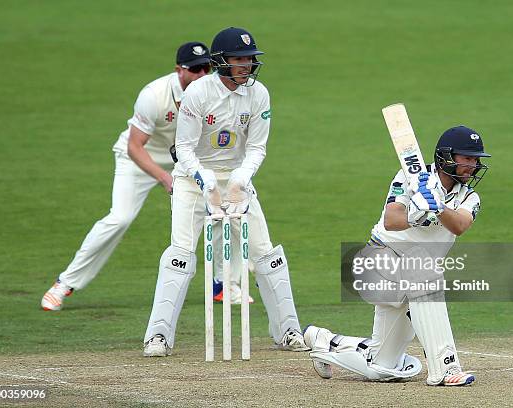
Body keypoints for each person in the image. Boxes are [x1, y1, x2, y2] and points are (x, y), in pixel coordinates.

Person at [142, 27, 309, 357]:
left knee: (266, 253)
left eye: (250, 59)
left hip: (236, 181)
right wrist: (206, 183)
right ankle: (158, 336)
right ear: (221, 62)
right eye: (239, 59)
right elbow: (185, 148)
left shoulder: (259, 94)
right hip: (193, 181)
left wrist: (237, 182)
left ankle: (288, 329)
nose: (246, 65)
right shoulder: (199, 94)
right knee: (180, 253)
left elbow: (257, 147)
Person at [304, 126, 490, 386]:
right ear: (447, 157)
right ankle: (446, 369)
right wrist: (416, 213)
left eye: (476, 159)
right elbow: (392, 221)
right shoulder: (409, 177)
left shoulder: (469, 196)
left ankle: (325, 341)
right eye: (467, 158)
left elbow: (459, 224)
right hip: (379, 262)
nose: (474, 165)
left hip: (412, 276)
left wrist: (437, 207)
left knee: (381, 367)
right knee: (424, 271)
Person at [41, 42, 212, 311]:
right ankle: (65, 283)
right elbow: (135, 146)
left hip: (186, 160)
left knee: (223, 207)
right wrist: (164, 178)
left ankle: (225, 285)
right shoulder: (154, 95)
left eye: (208, 68)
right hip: (139, 158)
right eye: (196, 69)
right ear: (179, 70)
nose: (203, 75)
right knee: (120, 218)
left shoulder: (213, 91)